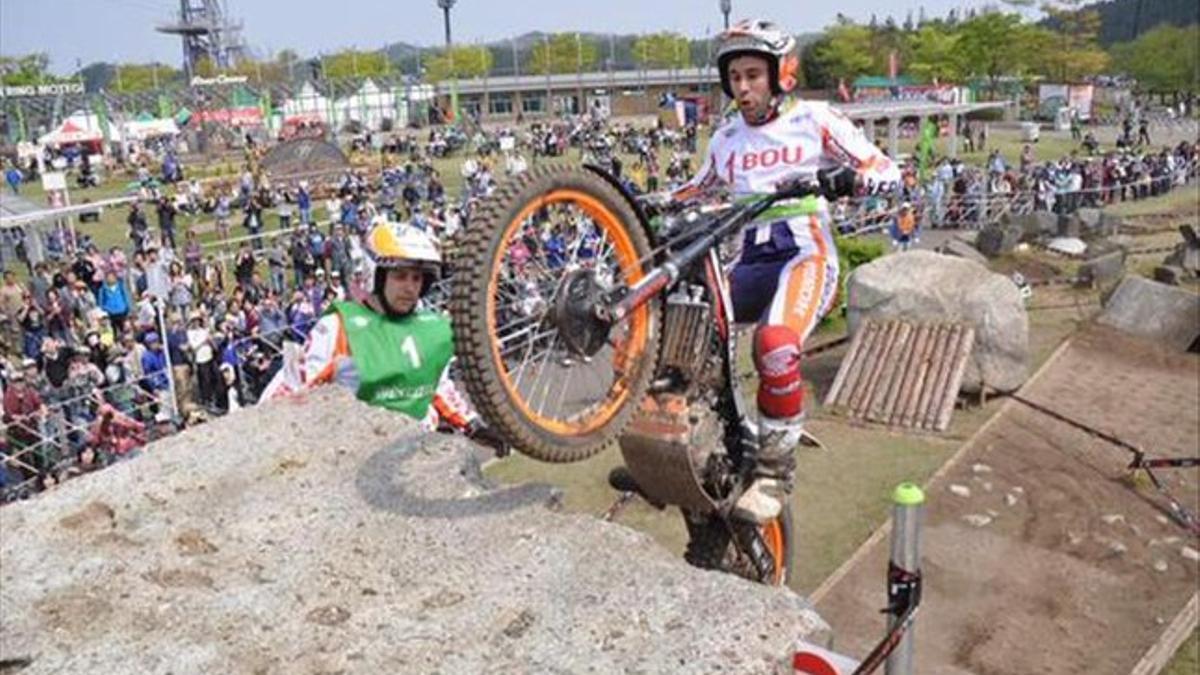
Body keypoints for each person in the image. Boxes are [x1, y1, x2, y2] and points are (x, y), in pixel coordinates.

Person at [666, 19, 900, 523]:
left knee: (773, 345)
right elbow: (691, 190)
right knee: (683, 327)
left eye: (753, 74)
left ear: (779, 74)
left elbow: (887, 169)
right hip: (749, 260)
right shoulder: (725, 139)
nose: (743, 87)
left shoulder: (815, 118)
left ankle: (775, 473)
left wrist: (850, 180)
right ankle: (693, 443)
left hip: (806, 256)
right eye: (735, 77)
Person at [297, 218, 502, 449]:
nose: (410, 287)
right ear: (375, 275)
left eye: (417, 278)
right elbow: (291, 394)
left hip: (418, 452)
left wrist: (472, 425)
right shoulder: (338, 327)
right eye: (400, 276)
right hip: (359, 455)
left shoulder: (431, 326)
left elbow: (435, 386)